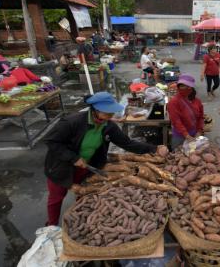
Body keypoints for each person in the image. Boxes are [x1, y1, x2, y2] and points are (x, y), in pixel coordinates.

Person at [44, 92, 168, 225]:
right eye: (107, 112)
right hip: (61, 165)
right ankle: (51, 226)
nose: (111, 115)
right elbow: (51, 141)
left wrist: (154, 149)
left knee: (83, 191)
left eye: (111, 113)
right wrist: (73, 157)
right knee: (56, 197)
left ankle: (81, 218)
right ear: (95, 110)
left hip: (86, 165)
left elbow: (127, 143)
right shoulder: (72, 122)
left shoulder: (108, 126)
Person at [167, 74, 204, 149]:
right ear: (178, 87)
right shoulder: (174, 102)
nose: (184, 88)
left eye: (187, 86)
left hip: (194, 134)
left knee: (193, 155)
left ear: (191, 88)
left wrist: (199, 131)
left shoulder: (197, 101)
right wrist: (186, 135)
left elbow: (200, 117)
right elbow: (176, 121)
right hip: (180, 136)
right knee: (178, 156)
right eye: (181, 86)